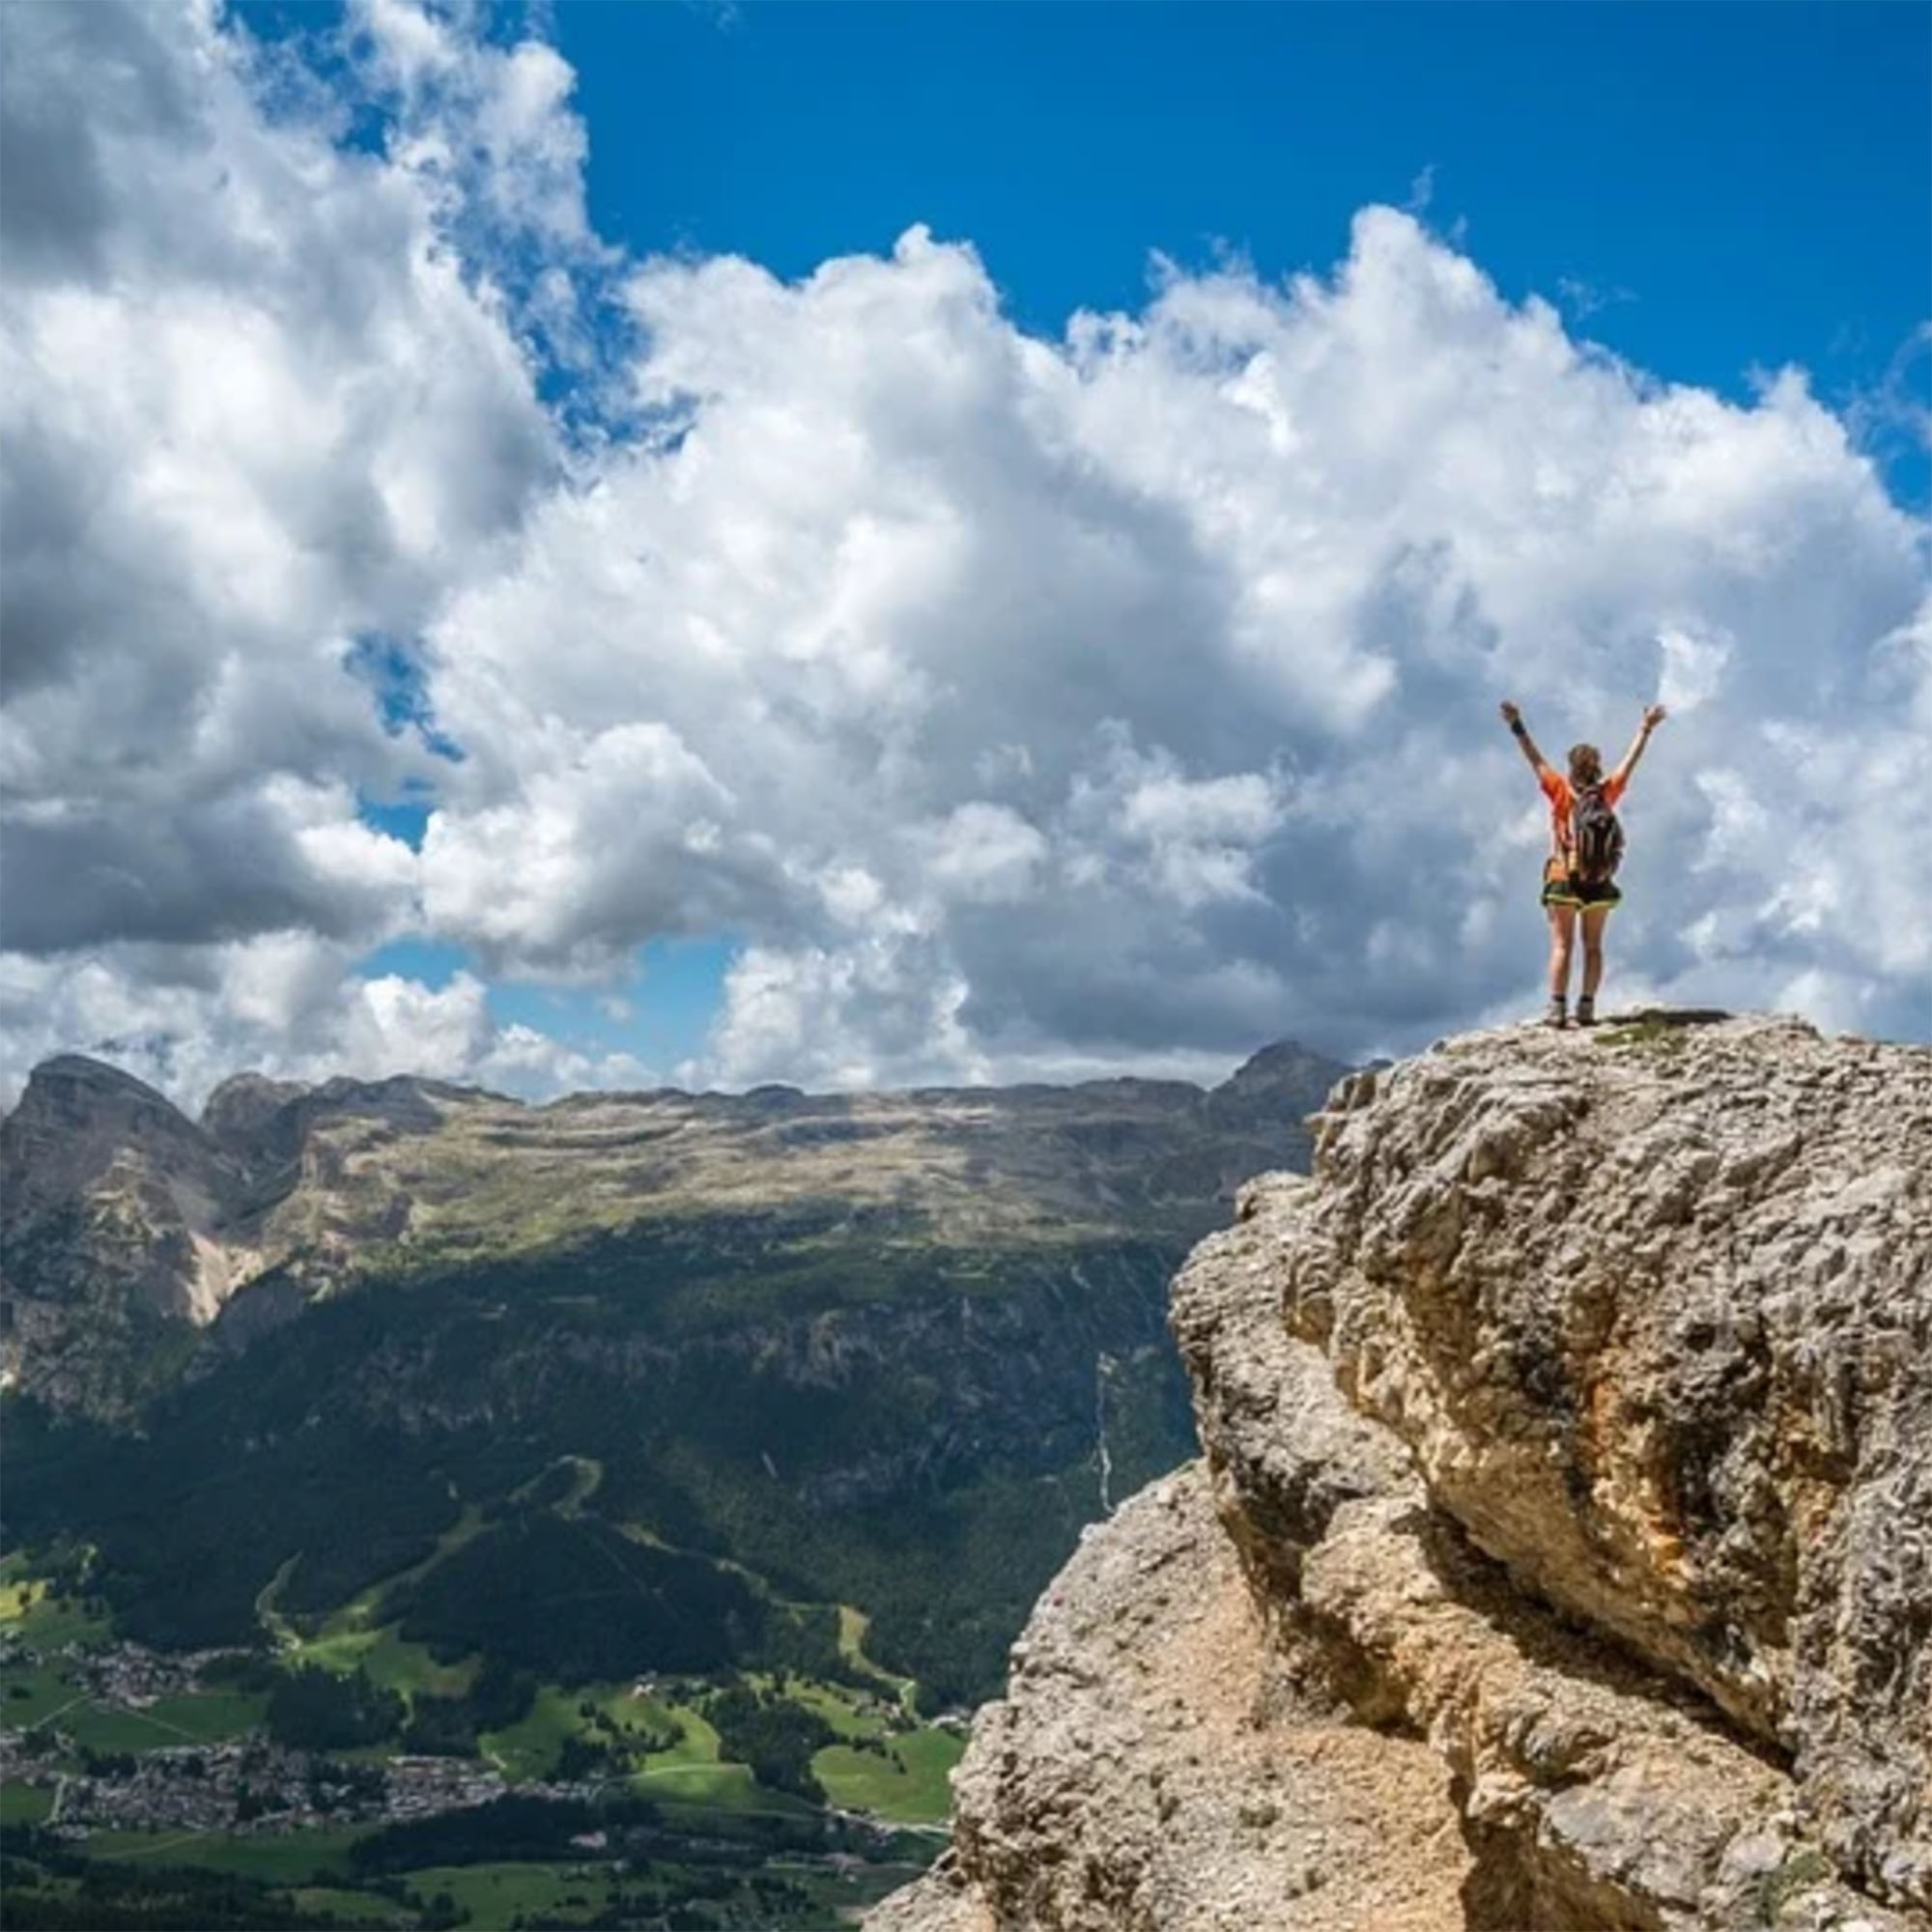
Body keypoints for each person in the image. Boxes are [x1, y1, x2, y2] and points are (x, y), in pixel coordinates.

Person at [1500, 699, 1667, 1028]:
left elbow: (1533, 758)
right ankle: (1587, 1006)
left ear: (1571, 767)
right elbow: (1631, 762)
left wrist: (1516, 724)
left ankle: (1557, 1008)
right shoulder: (1607, 793)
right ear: (1597, 767)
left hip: (1563, 876)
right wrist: (1645, 729)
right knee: (1593, 946)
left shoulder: (1559, 789)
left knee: (1562, 945)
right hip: (1599, 880)